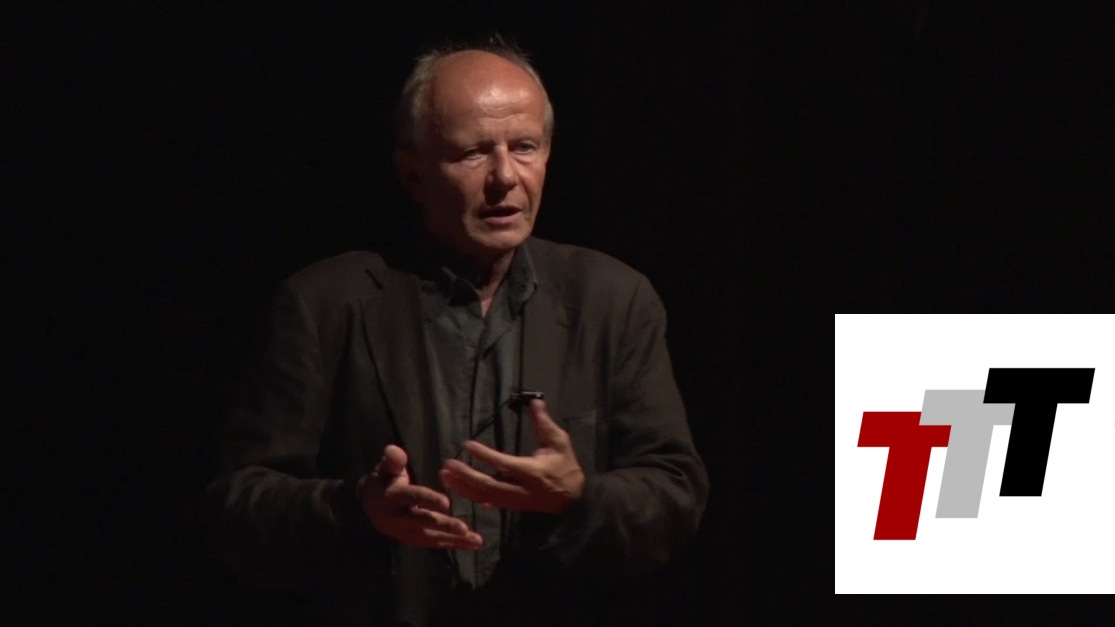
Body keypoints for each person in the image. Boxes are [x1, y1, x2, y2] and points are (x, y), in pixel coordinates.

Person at [204, 38, 709, 627]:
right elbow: (238, 506)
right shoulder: (325, 304)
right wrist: (355, 506)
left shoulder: (612, 300)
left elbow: (673, 493)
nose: (505, 177)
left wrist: (578, 498)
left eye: (525, 147)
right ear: (412, 172)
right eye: (473, 153)